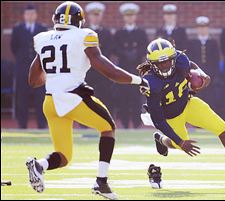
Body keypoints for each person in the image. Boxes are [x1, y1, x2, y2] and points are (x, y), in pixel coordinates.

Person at [25, 1, 149, 200]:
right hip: (72, 98)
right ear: (79, 21)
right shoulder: (84, 35)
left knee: (63, 157)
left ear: (55, 19)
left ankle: (39, 165)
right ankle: (101, 182)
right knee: (108, 127)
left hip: (50, 103)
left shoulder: (43, 38)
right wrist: (139, 80)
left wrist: (57, 74)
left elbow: (33, 81)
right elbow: (111, 72)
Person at [137, 38, 225, 189]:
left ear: (173, 58)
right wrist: (181, 142)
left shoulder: (180, 59)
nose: (164, 66)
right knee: (177, 144)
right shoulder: (150, 82)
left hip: (188, 103)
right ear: (152, 64)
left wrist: (201, 74)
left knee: (220, 126)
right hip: (170, 115)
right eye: (159, 63)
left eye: (167, 61)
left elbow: (191, 64)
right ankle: (161, 139)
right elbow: (158, 120)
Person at [11, 4, 47, 128]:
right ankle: (22, 124)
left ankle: (42, 125)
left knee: (41, 97)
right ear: (24, 15)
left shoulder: (42, 29)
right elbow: (14, 48)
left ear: (36, 15)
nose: (30, 16)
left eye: (32, 13)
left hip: (39, 70)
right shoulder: (17, 29)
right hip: (22, 70)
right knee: (22, 98)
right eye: (28, 14)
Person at [114, 3, 148, 128]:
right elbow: (115, 48)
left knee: (136, 97)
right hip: (123, 68)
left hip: (136, 68)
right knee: (123, 97)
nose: (129, 18)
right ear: (124, 17)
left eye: (131, 15)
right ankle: (124, 123)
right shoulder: (119, 33)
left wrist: (136, 53)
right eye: (127, 16)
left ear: (135, 17)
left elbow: (145, 47)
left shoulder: (141, 32)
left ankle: (136, 123)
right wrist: (125, 53)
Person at [84, 2, 116, 114]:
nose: (95, 18)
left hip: (102, 72)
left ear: (101, 16)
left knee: (103, 99)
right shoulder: (83, 33)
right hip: (86, 71)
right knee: (86, 99)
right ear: (89, 16)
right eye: (93, 15)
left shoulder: (106, 33)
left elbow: (108, 51)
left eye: (98, 15)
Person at [187, 16, 221, 112]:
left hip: (209, 75)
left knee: (210, 99)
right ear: (197, 29)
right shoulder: (192, 42)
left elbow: (216, 60)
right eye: (200, 27)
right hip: (196, 76)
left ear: (208, 28)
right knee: (197, 99)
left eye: (204, 27)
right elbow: (190, 60)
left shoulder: (213, 42)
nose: (202, 29)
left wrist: (215, 75)